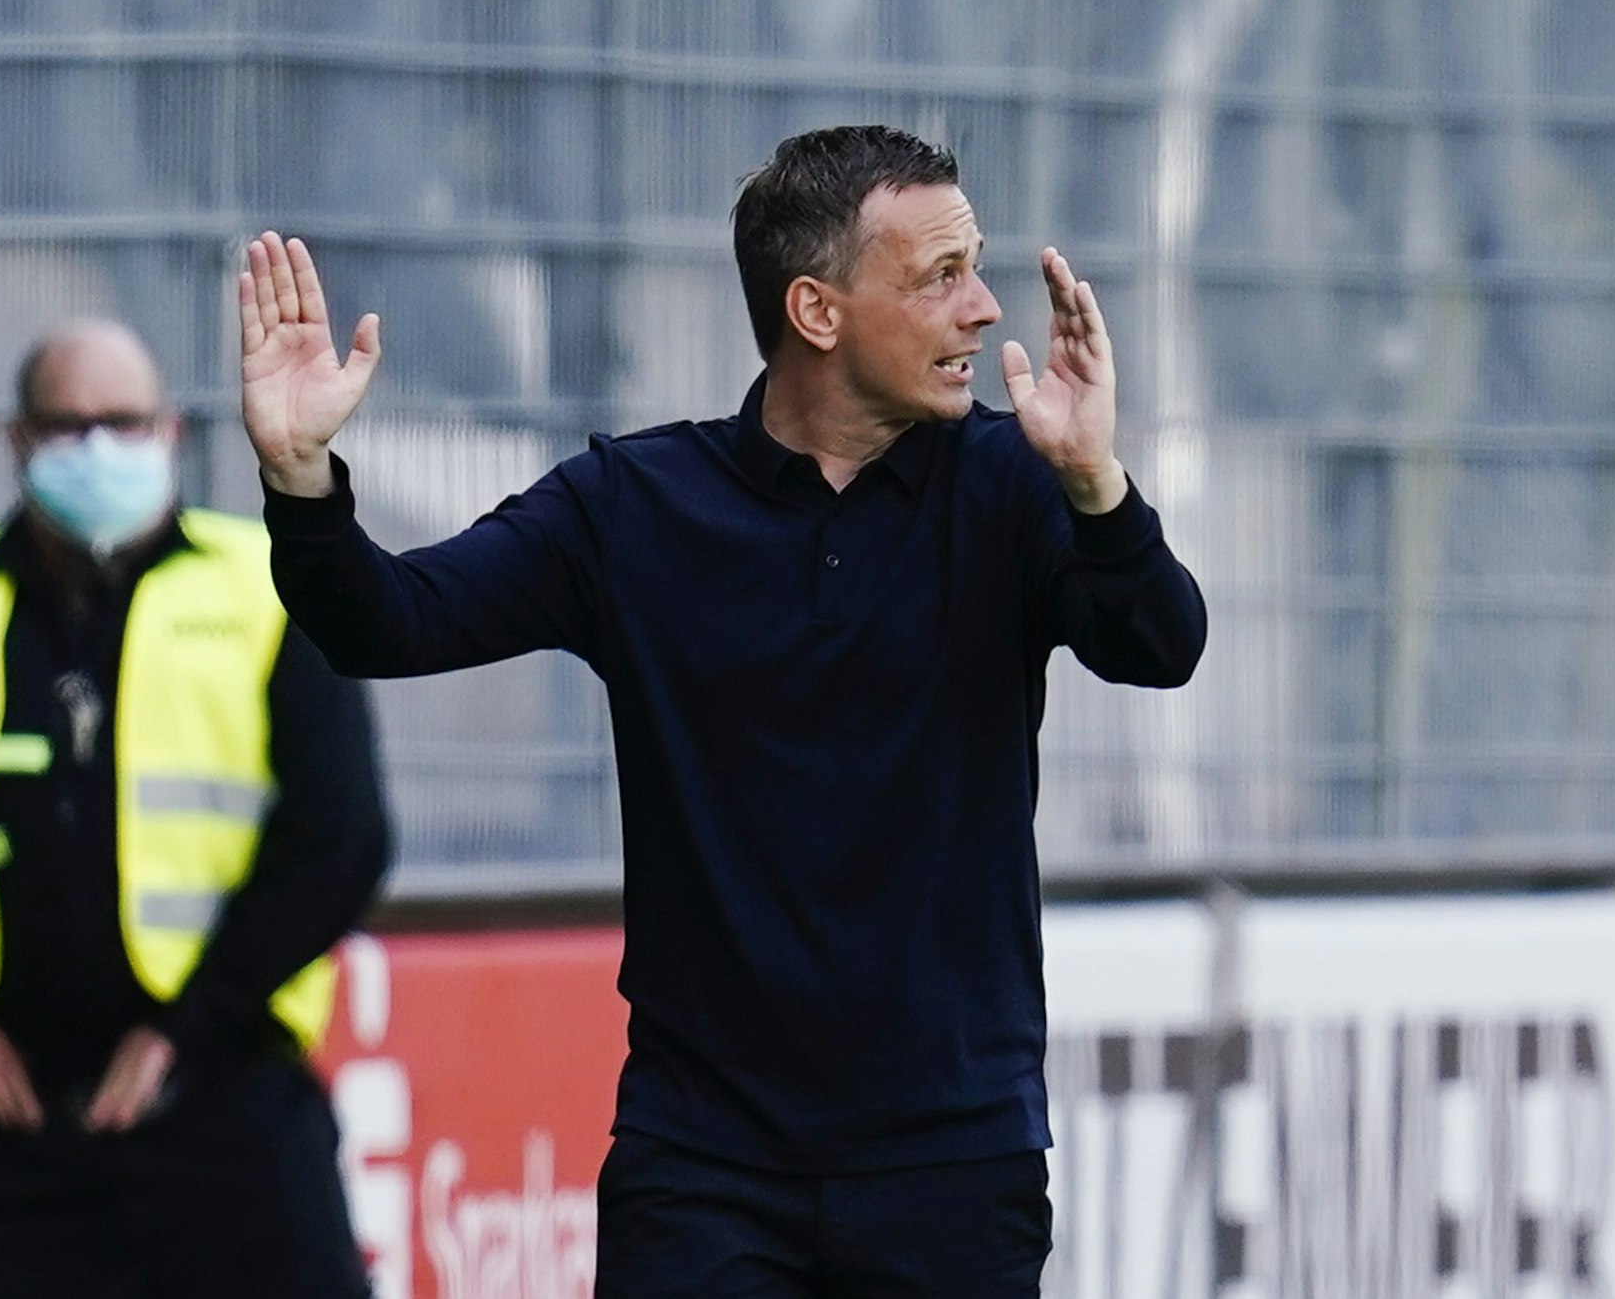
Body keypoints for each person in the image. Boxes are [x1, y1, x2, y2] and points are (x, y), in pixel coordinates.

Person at [241, 124, 1207, 1297]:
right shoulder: (634, 505)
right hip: (701, 1169)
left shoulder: (1010, 484)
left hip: (951, 1162)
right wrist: (300, 477)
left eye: (976, 267)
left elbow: (1160, 645)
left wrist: (1097, 485)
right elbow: (384, 621)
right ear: (816, 310)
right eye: (940, 276)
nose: (984, 310)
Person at [0, 322, 391, 1299]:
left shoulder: (267, 587)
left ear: (170, 430)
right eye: (67, 427)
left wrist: (184, 1028)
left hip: (215, 1089)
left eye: (122, 421)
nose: (98, 448)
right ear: (15, 441)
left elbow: (342, 836)